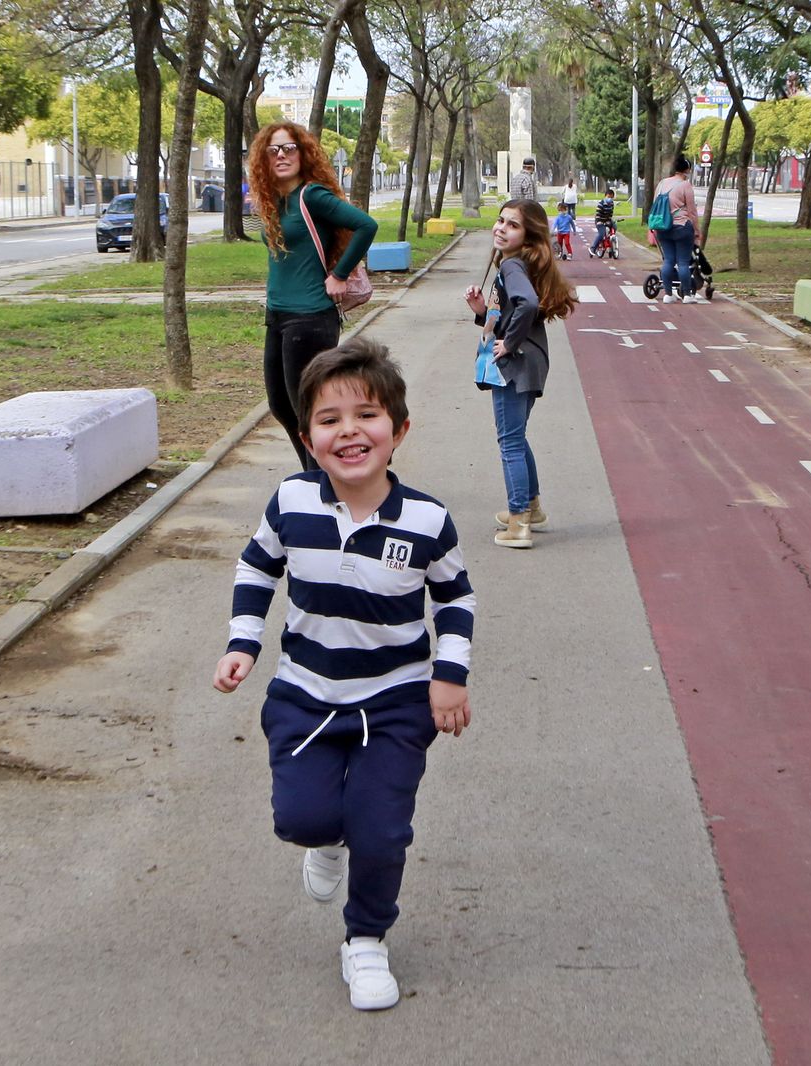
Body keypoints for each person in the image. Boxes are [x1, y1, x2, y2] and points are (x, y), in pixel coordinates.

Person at [213, 337, 475, 1013]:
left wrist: (449, 676)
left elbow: (455, 598)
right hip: (305, 695)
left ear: (398, 430)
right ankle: (327, 840)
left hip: (396, 702)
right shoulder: (292, 503)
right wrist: (243, 643)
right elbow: (256, 568)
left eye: (367, 415)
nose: (350, 431)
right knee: (303, 818)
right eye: (330, 420)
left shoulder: (426, 520)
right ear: (308, 437)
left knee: (383, 832)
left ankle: (366, 940)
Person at [249, 120, 379, 469]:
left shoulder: (312, 195)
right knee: (280, 406)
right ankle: (316, 476)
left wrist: (339, 275)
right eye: (273, 149)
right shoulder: (275, 201)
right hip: (278, 316)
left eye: (288, 148)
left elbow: (366, 225)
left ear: (302, 153)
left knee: (307, 411)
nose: (281, 155)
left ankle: (324, 483)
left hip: (309, 317)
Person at [463, 200, 578, 549]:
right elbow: (515, 310)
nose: (501, 228)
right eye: (500, 220)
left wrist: (509, 345)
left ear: (528, 235)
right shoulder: (522, 263)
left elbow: (526, 304)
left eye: (512, 225)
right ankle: (531, 507)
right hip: (533, 360)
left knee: (509, 441)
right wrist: (483, 312)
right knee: (517, 435)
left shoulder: (513, 265)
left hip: (518, 363)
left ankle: (518, 524)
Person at [651, 157, 706, 304]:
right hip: (682, 227)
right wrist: (696, 230)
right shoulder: (685, 185)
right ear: (687, 170)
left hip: (663, 227)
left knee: (668, 260)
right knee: (683, 262)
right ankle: (687, 295)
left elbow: (655, 204)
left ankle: (668, 294)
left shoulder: (662, 184)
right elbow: (692, 210)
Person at [591, 190, 616, 257]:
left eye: (611, 197)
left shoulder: (611, 203)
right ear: (605, 196)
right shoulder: (601, 203)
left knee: (614, 226)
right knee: (601, 233)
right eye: (608, 196)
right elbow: (598, 214)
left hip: (607, 220)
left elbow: (611, 213)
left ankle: (611, 243)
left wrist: (609, 220)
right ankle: (593, 248)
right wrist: (600, 222)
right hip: (599, 220)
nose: (610, 198)